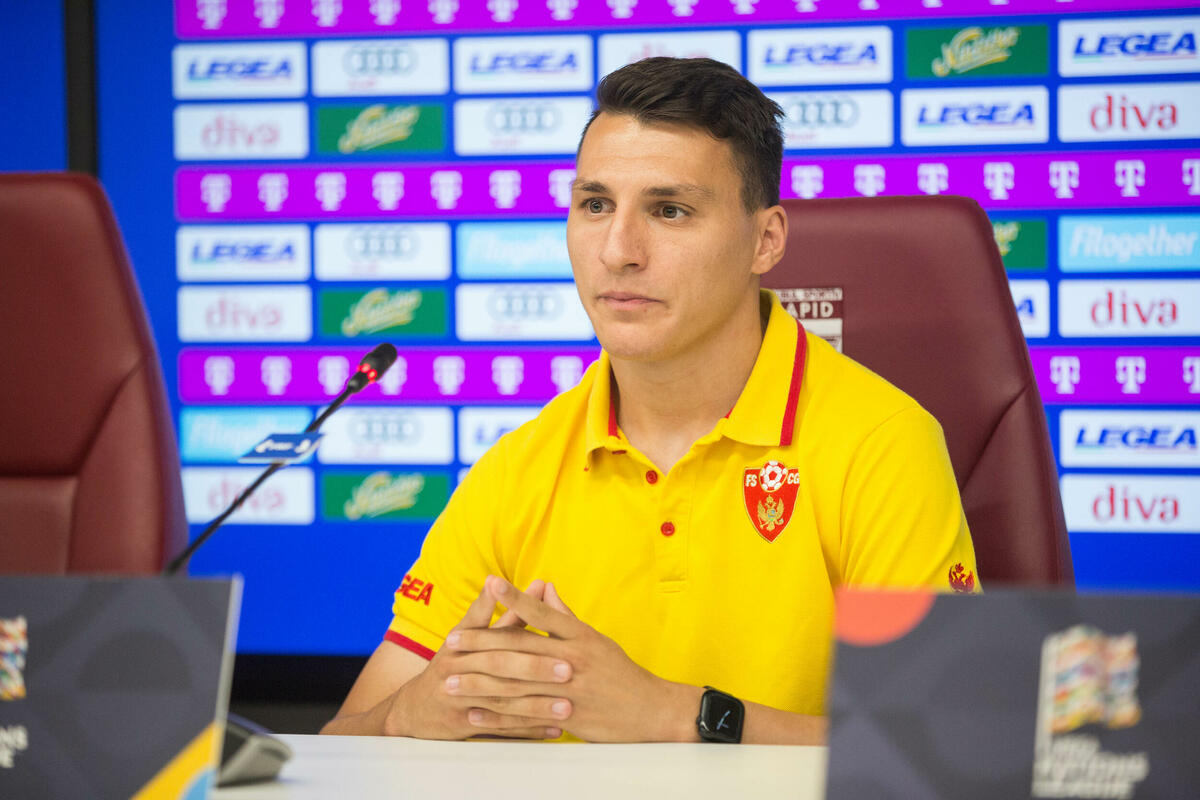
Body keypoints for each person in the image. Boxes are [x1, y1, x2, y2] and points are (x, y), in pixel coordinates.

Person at [322, 57, 979, 745]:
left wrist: (674, 715)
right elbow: (338, 747)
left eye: (669, 211)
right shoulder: (518, 469)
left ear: (765, 240)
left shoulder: (880, 442)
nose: (618, 251)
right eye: (595, 205)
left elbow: (949, 750)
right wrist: (407, 716)